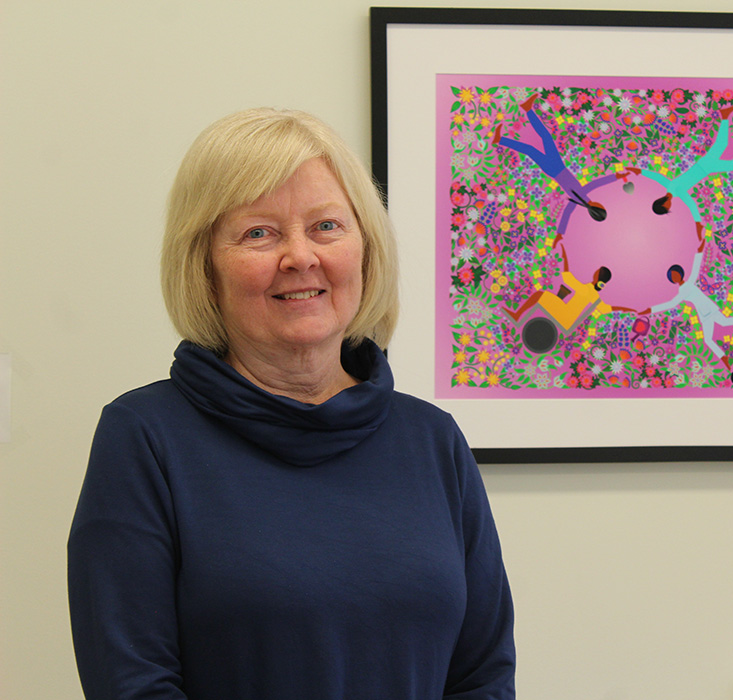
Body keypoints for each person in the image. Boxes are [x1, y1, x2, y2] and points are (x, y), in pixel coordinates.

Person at [67, 108, 515, 700]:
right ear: (204, 266)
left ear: (365, 247)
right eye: (259, 233)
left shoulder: (432, 440)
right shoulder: (144, 438)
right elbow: (133, 685)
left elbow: (482, 676)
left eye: (326, 226)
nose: (300, 257)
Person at [641, 224, 733, 370]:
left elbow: (696, 266)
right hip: (704, 314)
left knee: (723, 324)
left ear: (680, 273)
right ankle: (724, 357)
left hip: (709, 309)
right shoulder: (681, 294)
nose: (676, 277)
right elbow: (670, 304)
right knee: (709, 338)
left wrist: (701, 247)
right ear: (672, 280)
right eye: (673, 277)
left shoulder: (690, 281)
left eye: (676, 274)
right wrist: (650, 310)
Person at [643, 105, 733, 232]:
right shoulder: (672, 189)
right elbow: (657, 177)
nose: (669, 207)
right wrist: (637, 171)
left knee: (732, 162)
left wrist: (698, 223)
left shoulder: (676, 190)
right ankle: (730, 121)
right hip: (705, 167)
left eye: (666, 208)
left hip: (705, 167)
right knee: (723, 146)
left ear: (663, 204)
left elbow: (691, 204)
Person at [493, 94, 608, 222]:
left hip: (557, 167)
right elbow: (566, 216)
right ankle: (504, 135)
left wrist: (620, 176)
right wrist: (559, 235)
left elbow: (599, 182)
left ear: (599, 206)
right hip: (553, 170)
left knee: (543, 140)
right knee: (532, 149)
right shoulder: (578, 200)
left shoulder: (583, 194)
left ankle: (526, 112)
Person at [503, 235, 633, 329]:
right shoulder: (595, 297)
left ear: (597, 277)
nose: (594, 272)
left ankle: (517, 315)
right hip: (569, 321)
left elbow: (567, 277)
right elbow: (607, 309)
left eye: (597, 271)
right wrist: (627, 309)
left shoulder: (587, 290)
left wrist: (564, 253)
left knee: (540, 295)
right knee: (546, 296)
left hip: (564, 315)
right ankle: (519, 316)